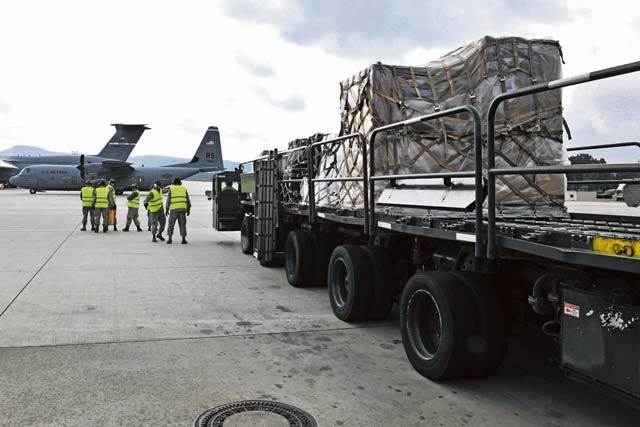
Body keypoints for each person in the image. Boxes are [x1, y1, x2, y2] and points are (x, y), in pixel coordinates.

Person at [165, 177, 191, 244]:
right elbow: (188, 200)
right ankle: (183, 239)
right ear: (180, 183)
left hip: (174, 210)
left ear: (174, 183)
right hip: (182, 210)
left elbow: (168, 200)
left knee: (171, 224)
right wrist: (188, 209)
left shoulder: (172, 189)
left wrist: (167, 209)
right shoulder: (184, 189)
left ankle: (170, 238)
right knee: (182, 224)